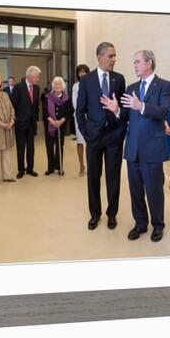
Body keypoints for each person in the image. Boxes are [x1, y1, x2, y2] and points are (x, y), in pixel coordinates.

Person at [101, 50, 170, 242]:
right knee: (135, 190)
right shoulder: (131, 87)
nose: (134, 65)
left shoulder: (163, 85)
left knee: (154, 190)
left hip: (153, 148)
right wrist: (117, 110)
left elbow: (164, 111)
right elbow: (127, 115)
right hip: (133, 148)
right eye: (134, 62)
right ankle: (140, 223)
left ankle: (158, 225)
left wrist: (141, 106)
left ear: (149, 63)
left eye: (137, 62)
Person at [76, 42, 127, 231]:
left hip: (114, 137)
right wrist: (87, 134)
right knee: (94, 178)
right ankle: (95, 214)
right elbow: (80, 111)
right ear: (100, 57)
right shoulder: (86, 80)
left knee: (113, 178)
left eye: (115, 56)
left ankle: (111, 214)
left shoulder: (119, 79)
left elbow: (124, 109)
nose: (114, 59)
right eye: (111, 56)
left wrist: (121, 129)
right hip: (94, 138)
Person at [11, 65, 41, 179]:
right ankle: (21, 170)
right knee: (20, 148)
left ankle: (30, 168)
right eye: (37, 77)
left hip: (31, 123)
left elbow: (36, 106)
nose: (38, 79)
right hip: (20, 123)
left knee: (31, 147)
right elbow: (12, 104)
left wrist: (36, 119)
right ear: (30, 75)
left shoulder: (37, 88)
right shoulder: (18, 87)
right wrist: (15, 119)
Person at [43, 77, 73, 176]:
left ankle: (60, 167)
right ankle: (50, 168)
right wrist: (52, 121)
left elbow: (69, 112)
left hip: (61, 125)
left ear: (63, 86)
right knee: (49, 147)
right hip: (49, 126)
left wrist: (61, 121)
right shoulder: (47, 97)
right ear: (53, 85)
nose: (57, 86)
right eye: (55, 84)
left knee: (59, 147)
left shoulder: (67, 98)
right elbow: (44, 112)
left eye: (59, 84)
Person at [71, 64, 90, 176]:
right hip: (79, 117)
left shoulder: (92, 84)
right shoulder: (75, 86)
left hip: (91, 117)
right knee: (80, 142)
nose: (82, 73)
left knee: (90, 142)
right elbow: (75, 103)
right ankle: (81, 166)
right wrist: (82, 113)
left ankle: (91, 165)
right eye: (80, 72)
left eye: (84, 71)